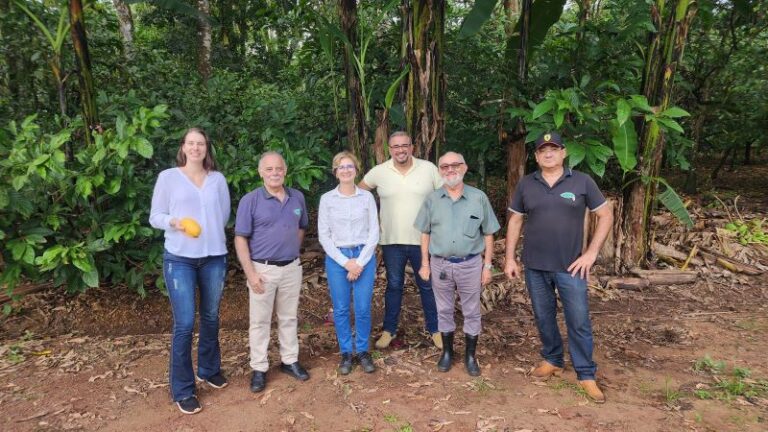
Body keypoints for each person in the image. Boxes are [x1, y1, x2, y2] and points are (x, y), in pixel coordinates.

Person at [504, 132, 613, 403]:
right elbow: (515, 221)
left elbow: (605, 214)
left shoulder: (581, 181)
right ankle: (552, 359)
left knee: (578, 320)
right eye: (543, 150)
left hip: (571, 267)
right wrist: (509, 258)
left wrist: (591, 253)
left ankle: (586, 374)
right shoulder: (527, 184)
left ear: (564, 153)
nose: (548, 154)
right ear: (537, 156)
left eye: (553, 149)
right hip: (535, 266)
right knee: (543, 316)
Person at [149, 128, 231, 415]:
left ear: (207, 148)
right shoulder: (168, 178)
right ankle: (183, 389)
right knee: (184, 323)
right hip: (180, 259)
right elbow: (155, 216)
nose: (196, 148)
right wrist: (176, 222)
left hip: (213, 257)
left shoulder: (217, 179)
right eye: (191, 143)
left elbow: (224, 214)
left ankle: (208, 369)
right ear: (183, 147)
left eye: (201, 143)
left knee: (210, 316)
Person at [414, 152, 500, 376]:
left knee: (472, 310)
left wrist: (488, 266)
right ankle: (447, 353)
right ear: (440, 171)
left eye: (455, 165)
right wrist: (424, 264)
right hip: (440, 264)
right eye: (444, 166)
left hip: (470, 264)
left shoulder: (478, 197)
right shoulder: (432, 199)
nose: (450, 170)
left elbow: (489, 233)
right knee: (443, 309)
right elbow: (425, 233)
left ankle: (470, 356)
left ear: (464, 167)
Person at [234, 151, 310, 393]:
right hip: (262, 269)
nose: (275, 173)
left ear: (285, 171)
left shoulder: (297, 197)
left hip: (291, 267)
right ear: (260, 173)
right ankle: (259, 368)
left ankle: (290, 361)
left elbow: (301, 228)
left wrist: (292, 252)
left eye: (279, 168)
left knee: (288, 318)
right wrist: (251, 274)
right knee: (259, 321)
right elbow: (240, 238)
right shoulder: (251, 200)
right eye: (269, 169)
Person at [359, 131, 443, 349]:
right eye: (396, 146)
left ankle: (436, 330)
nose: (401, 150)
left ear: (412, 147)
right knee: (394, 286)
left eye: (405, 145)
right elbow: (359, 192)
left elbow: (446, 196)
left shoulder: (428, 169)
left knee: (427, 285)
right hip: (391, 241)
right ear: (390, 149)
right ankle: (389, 330)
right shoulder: (379, 172)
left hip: (423, 241)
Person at [318, 152, 379, 375]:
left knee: (362, 308)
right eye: (341, 167)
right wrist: (346, 263)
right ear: (335, 172)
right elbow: (324, 235)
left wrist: (359, 262)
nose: (345, 170)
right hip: (337, 258)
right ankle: (346, 352)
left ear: (356, 169)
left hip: (364, 256)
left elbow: (374, 232)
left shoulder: (366, 197)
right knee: (341, 309)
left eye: (349, 166)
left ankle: (362, 350)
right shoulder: (327, 199)